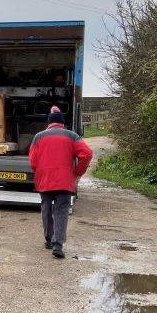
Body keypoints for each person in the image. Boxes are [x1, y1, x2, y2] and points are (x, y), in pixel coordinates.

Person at [29, 106, 93, 259]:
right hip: (65, 181)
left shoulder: (39, 136)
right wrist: (78, 171)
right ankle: (58, 244)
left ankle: (48, 239)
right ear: (62, 123)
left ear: (49, 123)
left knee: (46, 209)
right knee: (61, 211)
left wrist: (40, 170)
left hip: (45, 180)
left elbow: (32, 161)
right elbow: (87, 154)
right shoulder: (72, 136)